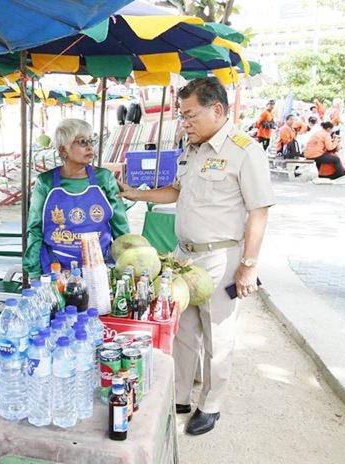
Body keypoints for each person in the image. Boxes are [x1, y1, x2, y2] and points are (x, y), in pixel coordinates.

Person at [118, 77, 274, 436]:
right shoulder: (192, 148)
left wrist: (248, 266)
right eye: (181, 116)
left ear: (217, 110)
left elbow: (259, 212)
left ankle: (211, 404)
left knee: (217, 336)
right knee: (183, 329)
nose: (184, 123)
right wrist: (135, 194)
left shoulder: (244, 151)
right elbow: (175, 191)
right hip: (183, 257)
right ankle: (181, 396)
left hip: (221, 259)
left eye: (190, 115)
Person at [24, 118, 130, 278]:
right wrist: (33, 272)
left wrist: (127, 262)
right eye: (81, 142)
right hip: (56, 270)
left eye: (90, 141)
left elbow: (120, 227)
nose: (89, 146)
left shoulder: (104, 179)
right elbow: (35, 229)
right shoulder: (45, 183)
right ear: (63, 150)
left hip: (100, 269)